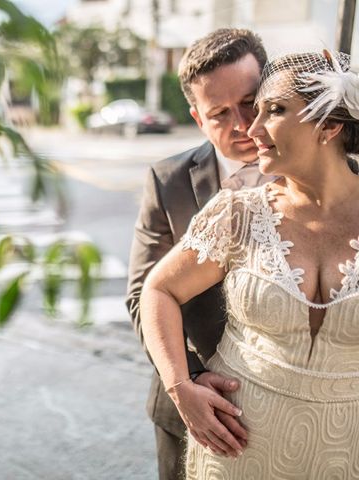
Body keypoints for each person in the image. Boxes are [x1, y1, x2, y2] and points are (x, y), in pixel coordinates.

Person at [140, 50, 359, 478]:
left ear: (330, 125)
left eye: (273, 110)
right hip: (235, 449)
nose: (251, 128)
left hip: (346, 448)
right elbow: (157, 289)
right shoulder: (237, 213)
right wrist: (181, 386)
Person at [126, 28, 269, 478]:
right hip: (192, 405)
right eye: (220, 114)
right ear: (197, 118)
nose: (242, 124)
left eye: (250, 102)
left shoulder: (327, 171)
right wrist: (185, 381)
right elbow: (140, 295)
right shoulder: (167, 181)